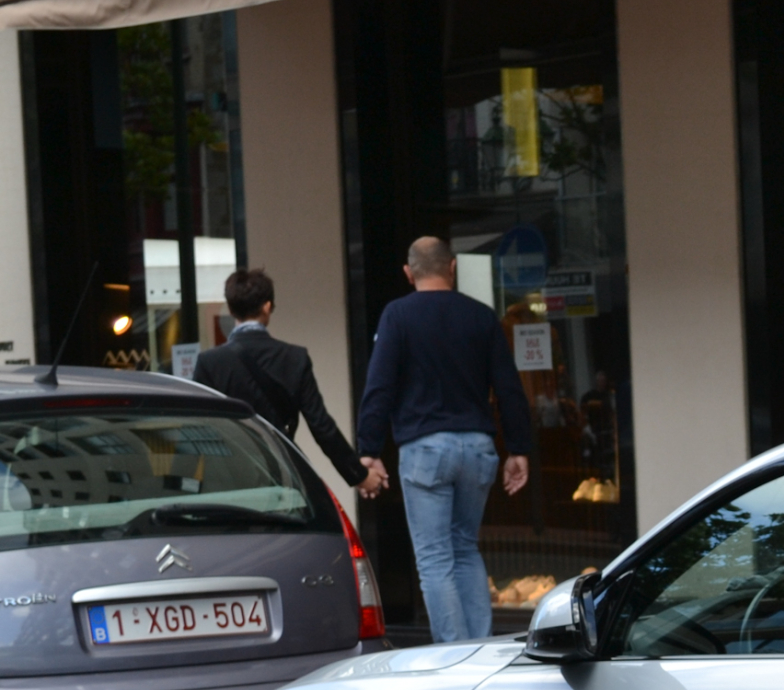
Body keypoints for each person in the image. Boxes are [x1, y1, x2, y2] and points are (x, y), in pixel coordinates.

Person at [356, 238, 534, 644]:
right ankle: (480, 648)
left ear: (408, 272)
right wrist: (518, 448)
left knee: (435, 558)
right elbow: (508, 388)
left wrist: (369, 450)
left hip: (425, 450)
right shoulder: (482, 316)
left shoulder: (397, 315)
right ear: (452, 267)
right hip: (477, 447)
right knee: (465, 548)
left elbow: (379, 387)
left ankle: (453, 656)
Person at [193, 268, 387, 500]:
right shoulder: (295, 358)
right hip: (279, 474)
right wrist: (359, 475)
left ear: (232, 309)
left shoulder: (209, 362)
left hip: (228, 481)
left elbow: (198, 429)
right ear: (267, 307)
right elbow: (322, 427)